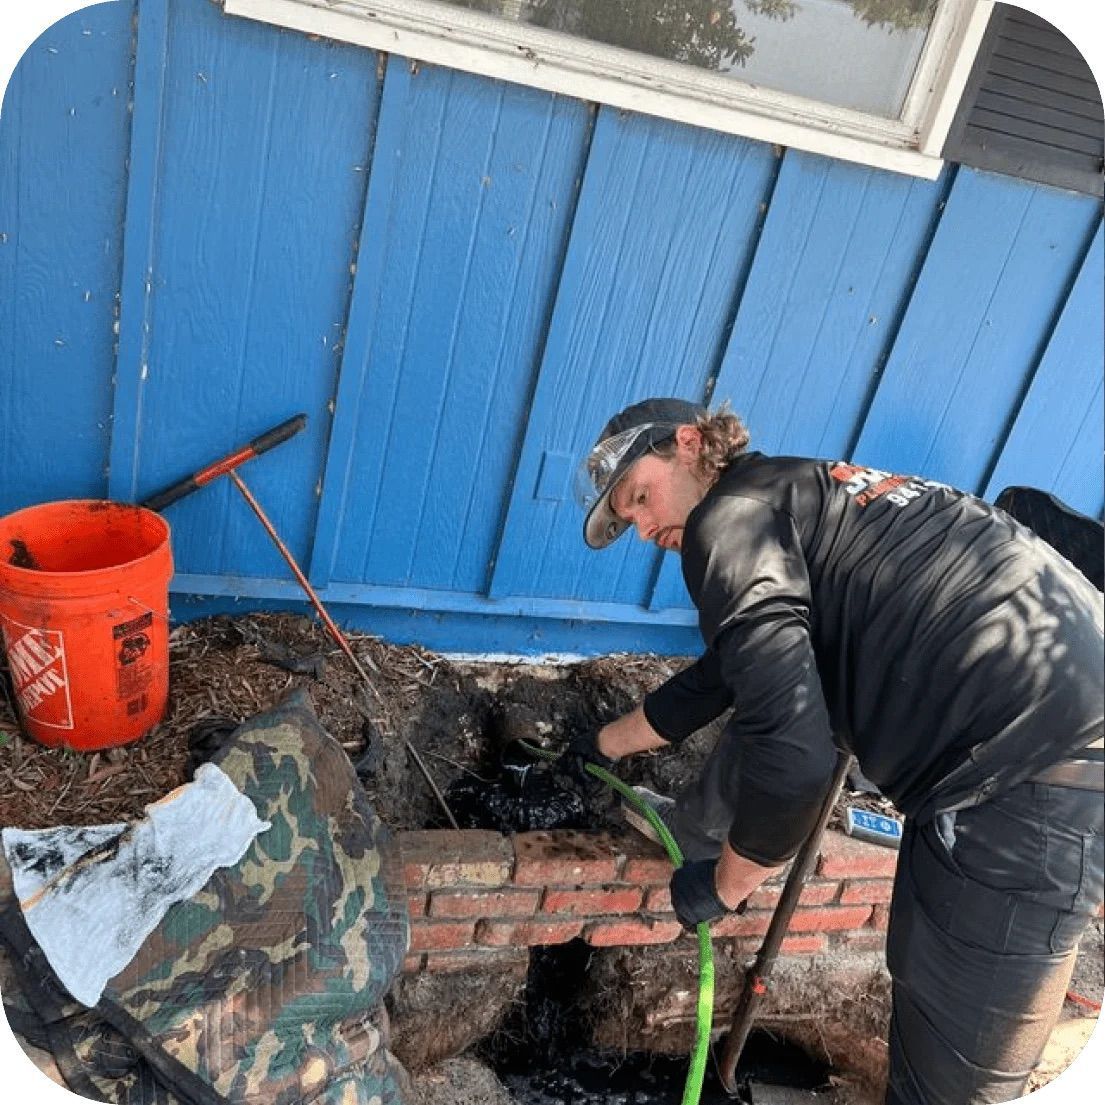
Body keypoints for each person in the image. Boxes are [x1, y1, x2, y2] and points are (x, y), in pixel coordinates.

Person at [559, 396, 1104, 1105]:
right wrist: (600, 745)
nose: (640, 526)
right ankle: (694, 824)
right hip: (1050, 733)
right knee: (919, 965)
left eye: (638, 496)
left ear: (688, 443)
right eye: (625, 518)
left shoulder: (727, 523)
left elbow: (796, 761)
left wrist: (722, 885)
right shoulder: (800, 492)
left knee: (948, 1083)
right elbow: (717, 680)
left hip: (1028, 775)